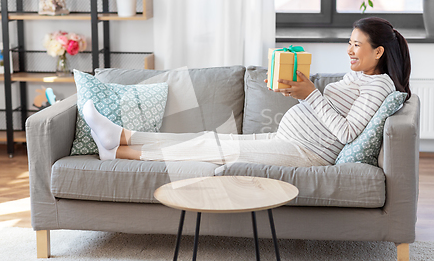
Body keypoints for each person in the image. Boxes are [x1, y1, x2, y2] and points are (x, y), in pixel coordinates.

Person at [83, 17, 411, 166]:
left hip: (305, 155)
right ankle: (122, 137)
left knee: (207, 150)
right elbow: (329, 112)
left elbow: (349, 133)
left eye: (357, 45)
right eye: (349, 43)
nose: (350, 51)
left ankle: (119, 152)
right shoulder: (357, 77)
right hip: (288, 141)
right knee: (205, 138)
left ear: (378, 52)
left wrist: (310, 94)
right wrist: (300, 93)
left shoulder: (378, 85)